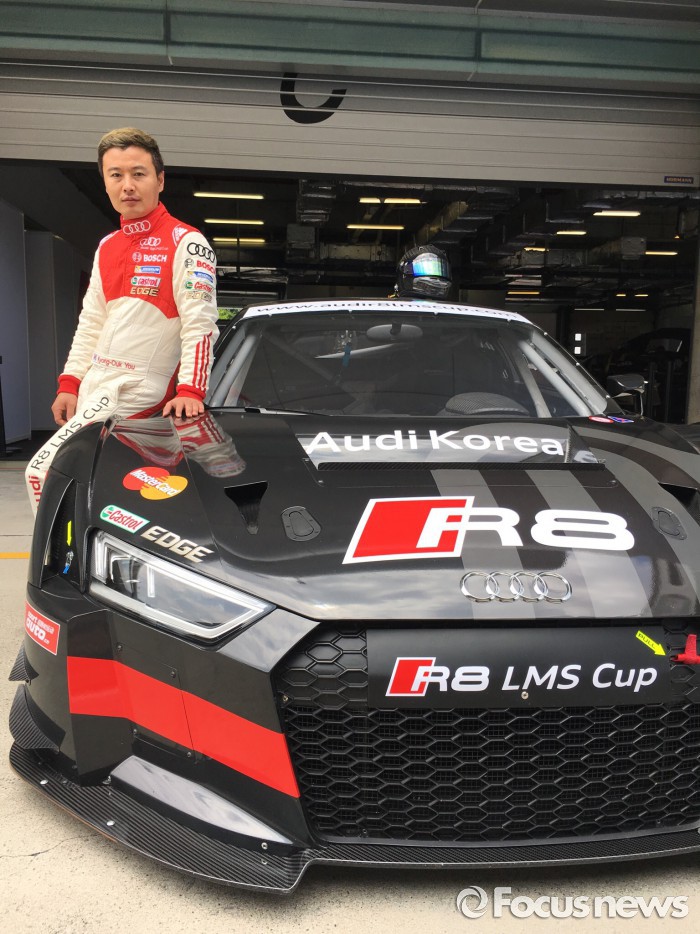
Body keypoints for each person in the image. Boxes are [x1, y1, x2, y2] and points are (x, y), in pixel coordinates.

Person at [25, 127, 219, 514]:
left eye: (138, 173)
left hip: (137, 390)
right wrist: (70, 382)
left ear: (160, 180)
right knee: (100, 486)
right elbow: (91, 322)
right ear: (105, 182)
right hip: (96, 385)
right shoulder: (108, 246)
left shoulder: (187, 242)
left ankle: (62, 553)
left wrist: (190, 391)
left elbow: (201, 323)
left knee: (42, 471)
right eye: (116, 175)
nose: (127, 185)